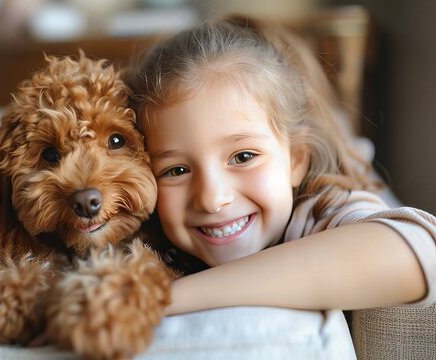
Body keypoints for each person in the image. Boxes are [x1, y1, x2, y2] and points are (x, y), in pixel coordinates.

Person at [125, 16, 436, 316]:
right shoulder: (149, 240)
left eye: (243, 157)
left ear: (296, 159)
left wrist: (162, 297)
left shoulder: (318, 210)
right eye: (176, 170)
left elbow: (420, 253)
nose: (212, 198)